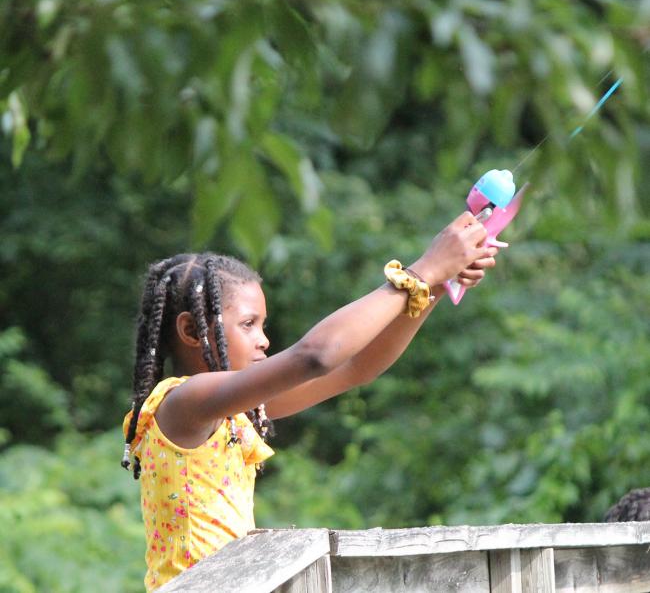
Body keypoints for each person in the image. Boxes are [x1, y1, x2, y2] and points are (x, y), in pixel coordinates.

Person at [121, 212, 498, 590]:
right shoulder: (185, 402)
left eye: (263, 326)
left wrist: (434, 284)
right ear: (190, 330)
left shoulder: (234, 413)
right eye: (249, 324)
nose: (264, 340)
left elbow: (355, 366)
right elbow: (316, 356)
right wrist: (421, 271)